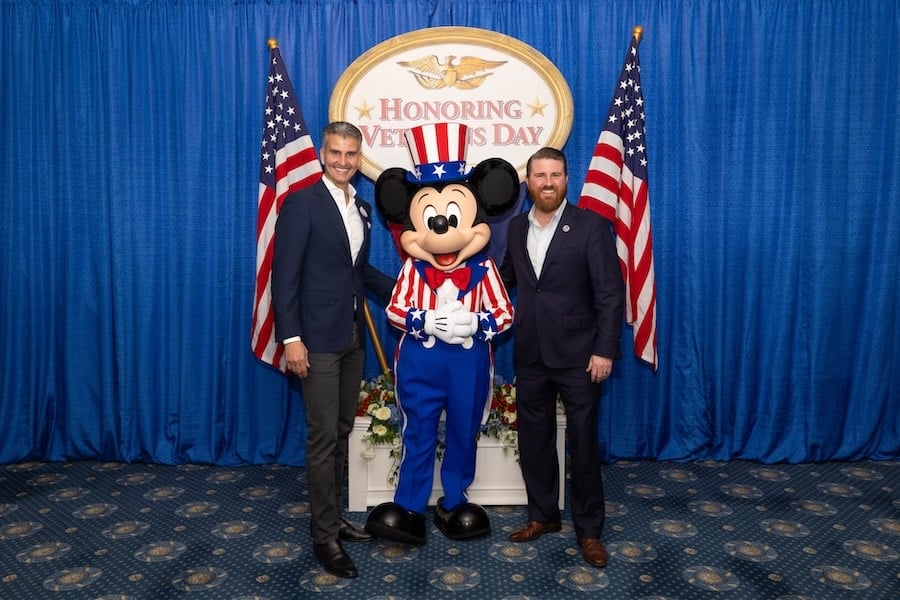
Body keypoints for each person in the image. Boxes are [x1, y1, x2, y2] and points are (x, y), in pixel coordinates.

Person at [272, 121, 395, 579]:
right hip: (316, 340)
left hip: (351, 336)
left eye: (351, 154)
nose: (343, 161)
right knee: (323, 438)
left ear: (359, 159)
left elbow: (357, 272)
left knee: (343, 429)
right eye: (336, 153)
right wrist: (291, 338)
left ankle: (333, 517)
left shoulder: (362, 207)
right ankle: (324, 536)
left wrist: (415, 287)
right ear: (323, 155)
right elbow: (284, 276)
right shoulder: (301, 203)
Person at [500, 146, 624, 568]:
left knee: (583, 445)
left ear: (567, 179)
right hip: (530, 353)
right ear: (529, 182)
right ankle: (543, 516)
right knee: (533, 440)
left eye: (555, 175)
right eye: (540, 175)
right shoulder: (516, 227)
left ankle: (589, 531)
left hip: (579, 356)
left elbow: (610, 293)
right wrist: (460, 285)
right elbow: (507, 278)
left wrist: (604, 349)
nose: (548, 183)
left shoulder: (591, 226)